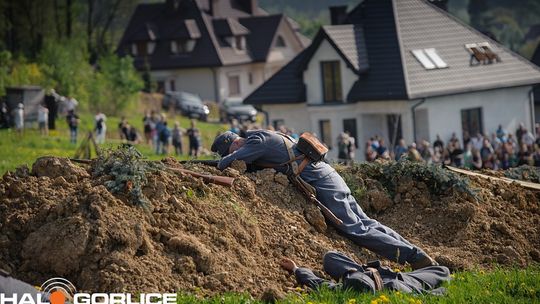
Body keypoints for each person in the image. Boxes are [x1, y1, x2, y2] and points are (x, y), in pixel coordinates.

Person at [211, 130, 438, 269]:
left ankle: (412, 256)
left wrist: (224, 160)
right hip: (327, 176)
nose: (230, 154)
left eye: (229, 150)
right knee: (366, 223)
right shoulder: (266, 135)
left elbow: (227, 163)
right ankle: (415, 253)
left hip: (323, 182)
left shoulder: (255, 140)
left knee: (355, 228)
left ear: (234, 143)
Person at [280, 251, 450, 295]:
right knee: (442, 271)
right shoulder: (395, 289)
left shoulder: (347, 288)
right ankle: (360, 271)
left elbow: (319, 284)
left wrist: (296, 269)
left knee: (330, 257)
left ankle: (358, 270)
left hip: (359, 271)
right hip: (401, 279)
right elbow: (431, 294)